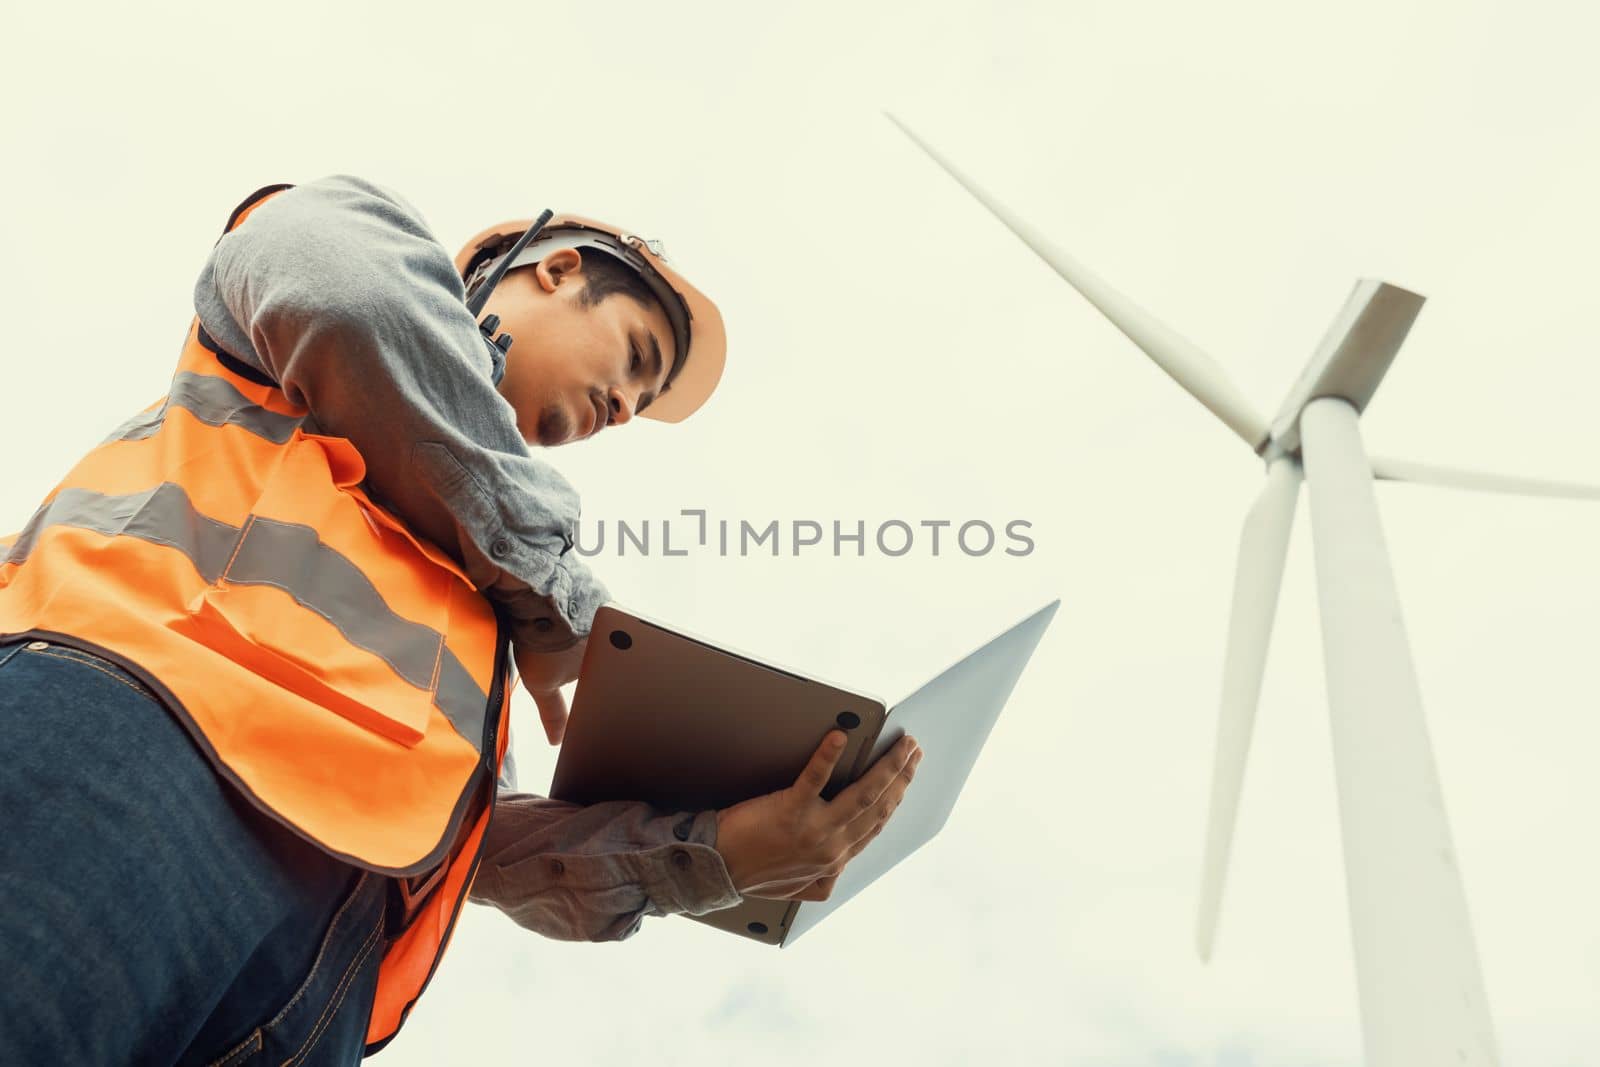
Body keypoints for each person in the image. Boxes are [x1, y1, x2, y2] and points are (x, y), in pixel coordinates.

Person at [0, 176, 921, 1065]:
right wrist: (565, 610)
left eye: (641, 403)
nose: (626, 407)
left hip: (323, 982)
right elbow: (343, 295)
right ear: (554, 270)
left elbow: (488, 841)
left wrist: (711, 857)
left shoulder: (489, 613)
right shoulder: (352, 231)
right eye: (636, 356)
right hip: (137, 743)